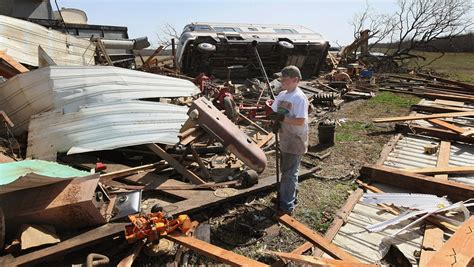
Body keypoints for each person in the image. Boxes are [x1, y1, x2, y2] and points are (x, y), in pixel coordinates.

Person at [270, 65, 309, 215]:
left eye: (285, 79)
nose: (282, 82)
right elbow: (275, 111)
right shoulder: (282, 95)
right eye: (281, 79)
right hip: (285, 136)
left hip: (296, 138)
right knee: (287, 170)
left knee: (289, 173)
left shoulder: (299, 98)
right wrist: (275, 121)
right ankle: (289, 195)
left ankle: (287, 206)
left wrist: (283, 119)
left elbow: (300, 121)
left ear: (296, 80)